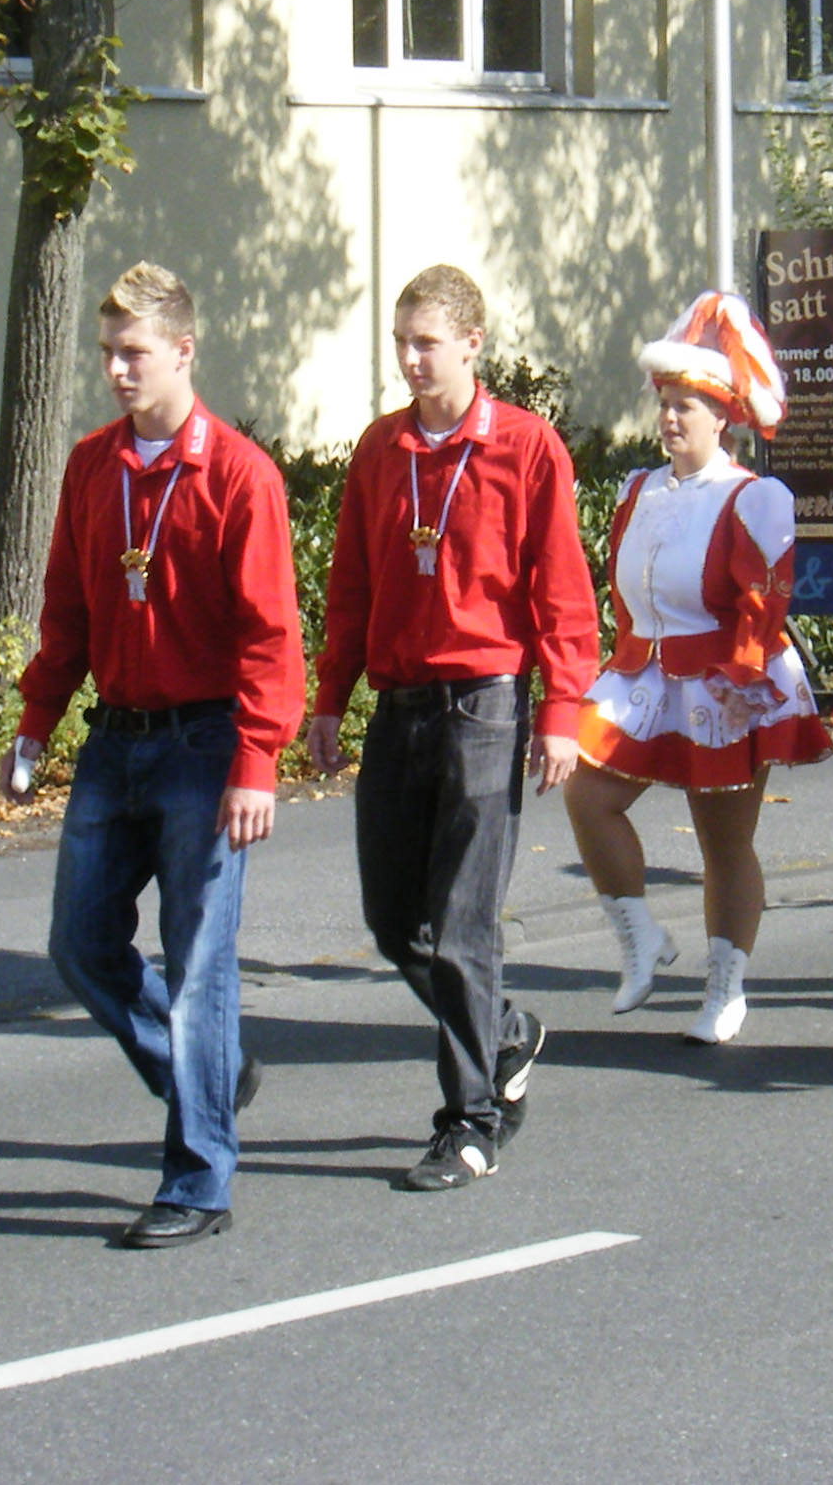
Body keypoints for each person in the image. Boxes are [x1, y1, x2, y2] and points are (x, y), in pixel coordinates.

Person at [3, 264, 304, 1249]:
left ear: (182, 350)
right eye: (106, 353)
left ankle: (198, 1180)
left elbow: (270, 633)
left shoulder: (238, 476)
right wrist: (36, 720)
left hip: (205, 745)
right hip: (115, 739)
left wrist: (256, 761)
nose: (116, 370)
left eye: (133, 353)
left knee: (199, 964)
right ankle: (202, 1073)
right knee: (78, 945)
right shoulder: (92, 466)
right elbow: (67, 606)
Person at [306, 265, 599, 1191]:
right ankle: (505, 1032)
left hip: (485, 703)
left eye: (425, 342)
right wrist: (329, 694)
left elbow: (560, 588)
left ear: (472, 344)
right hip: (399, 703)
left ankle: (471, 1123)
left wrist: (561, 710)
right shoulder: (380, 448)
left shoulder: (524, 446)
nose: (409, 359)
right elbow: (351, 582)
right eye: (400, 341)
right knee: (396, 922)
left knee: (465, 925)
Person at [568, 293, 831, 1044]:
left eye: (685, 406)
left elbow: (764, 600)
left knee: (722, 842)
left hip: (724, 682)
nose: (669, 419)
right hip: (643, 676)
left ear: (722, 417)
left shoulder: (752, 497)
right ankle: (640, 935)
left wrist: (742, 681)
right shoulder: (638, 489)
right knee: (587, 795)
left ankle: (725, 985)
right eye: (664, 405)